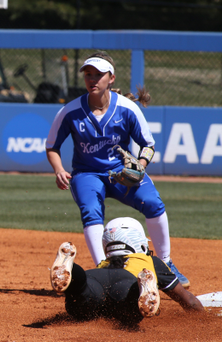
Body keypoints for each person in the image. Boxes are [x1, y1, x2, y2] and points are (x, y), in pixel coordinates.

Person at [45, 51, 190, 287]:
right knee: (91, 210)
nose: (92, 79)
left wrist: (140, 167)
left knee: (153, 203)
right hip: (87, 174)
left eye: (98, 75)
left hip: (121, 173)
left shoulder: (127, 109)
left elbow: (148, 146)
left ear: (111, 78)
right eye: (88, 74)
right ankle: (103, 270)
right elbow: (52, 146)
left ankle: (165, 263)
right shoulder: (70, 111)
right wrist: (59, 169)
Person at [50, 217, 204, 325]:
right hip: (127, 282)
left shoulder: (104, 263)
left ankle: (73, 269)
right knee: (128, 305)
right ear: (139, 240)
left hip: (96, 278)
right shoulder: (150, 261)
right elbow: (189, 301)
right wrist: (205, 319)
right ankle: (141, 288)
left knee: (80, 292)